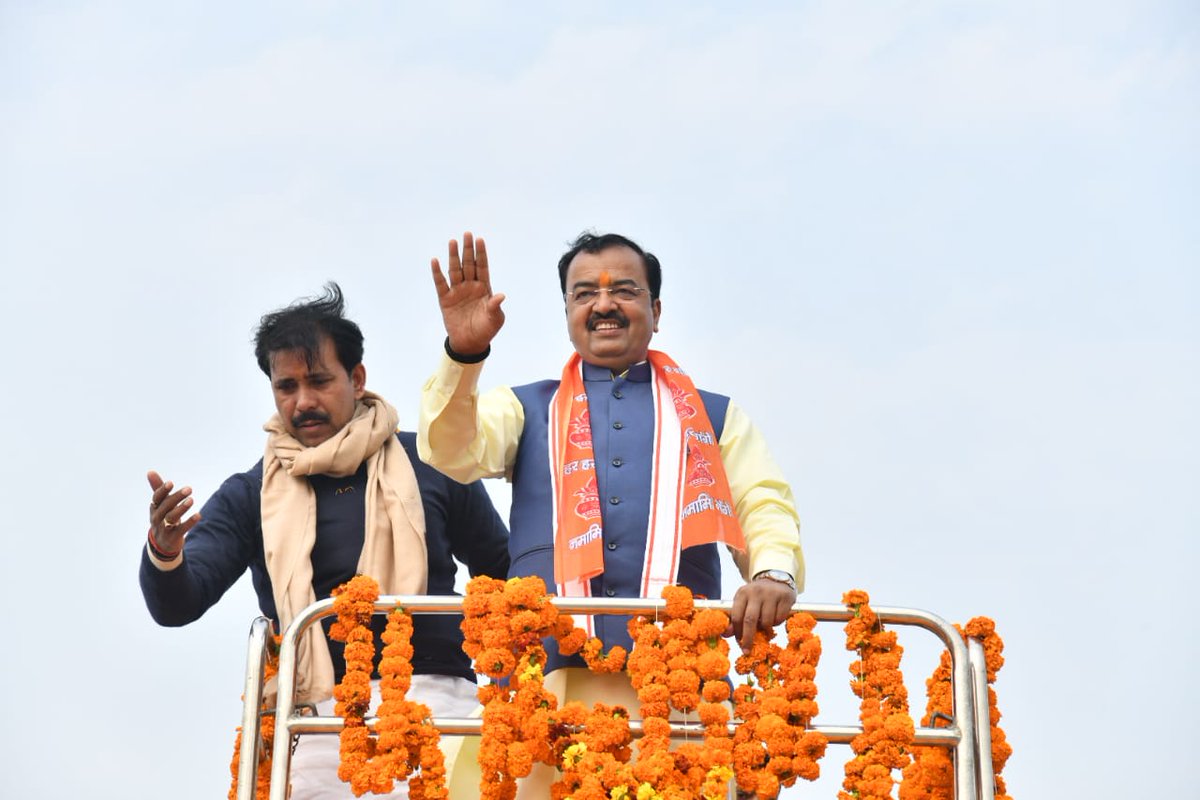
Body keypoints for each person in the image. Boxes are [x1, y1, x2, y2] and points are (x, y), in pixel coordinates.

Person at [418, 231, 804, 795]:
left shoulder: (714, 417)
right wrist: (464, 355)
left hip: (675, 690)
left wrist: (772, 573)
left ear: (656, 310)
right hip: (544, 685)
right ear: (568, 313)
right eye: (584, 294)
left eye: (624, 290)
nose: (603, 305)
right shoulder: (524, 407)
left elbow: (763, 503)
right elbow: (449, 450)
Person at [139, 283, 509, 799]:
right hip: (313, 726)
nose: (303, 402)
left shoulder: (431, 461)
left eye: (318, 381)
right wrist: (165, 549)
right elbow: (178, 604)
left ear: (357, 379)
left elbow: (504, 570)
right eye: (286, 386)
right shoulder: (251, 493)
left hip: (439, 707)